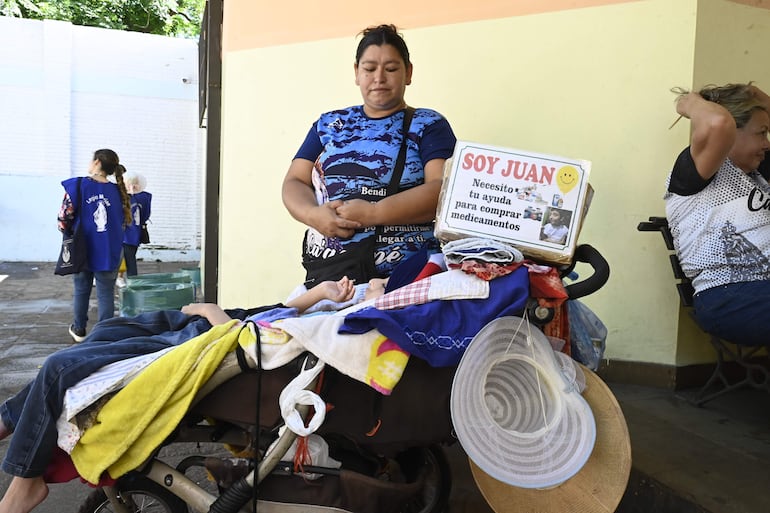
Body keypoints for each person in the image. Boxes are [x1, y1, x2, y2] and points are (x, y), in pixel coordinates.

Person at [0, 274, 387, 513]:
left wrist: (214, 312)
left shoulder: (353, 321)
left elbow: (249, 335)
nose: (368, 283)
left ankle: (24, 482)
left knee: (60, 368)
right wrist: (321, 292)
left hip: (206, 337)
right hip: (213, 323)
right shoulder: (334, 309)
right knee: (102, 334)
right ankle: (6, 420)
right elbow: (275, 312)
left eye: (376, 286)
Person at [282, 23, 457, 288]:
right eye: (369, 68)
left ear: (408, 73)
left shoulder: (428, 124)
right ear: (356, 72)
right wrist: (313, 215)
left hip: (407, 277)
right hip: (330, 277)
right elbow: (295, 180)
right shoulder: (329, 124)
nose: (379, 78)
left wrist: (374, 213)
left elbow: (441, 190)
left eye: (391, 69)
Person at [664, 82, 770, 346]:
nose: (767, 143)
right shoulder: (695, 174)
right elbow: (718, 124)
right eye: (762, 133)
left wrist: (756, 96)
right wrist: (688, 102)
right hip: (729, 296)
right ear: (734, 132)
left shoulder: (759, 173)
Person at [58, 149, 132, 343]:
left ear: (97, 162)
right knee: (106, 292)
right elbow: (124, 222)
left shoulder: (79, 185)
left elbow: (64, 217)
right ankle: (104, 335)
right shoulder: (119, 191)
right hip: (109, 249)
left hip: (83, 247)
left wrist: (66, 230)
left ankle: (79, 329)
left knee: (81, 288)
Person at [118, 171, 152, 285]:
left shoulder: (139, 198)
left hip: (129, 234)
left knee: (128, 259)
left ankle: (132, 283)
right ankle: (130, 281)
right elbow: (146, 215)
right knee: (129, 259)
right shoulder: (144, 197)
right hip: (132, 234)